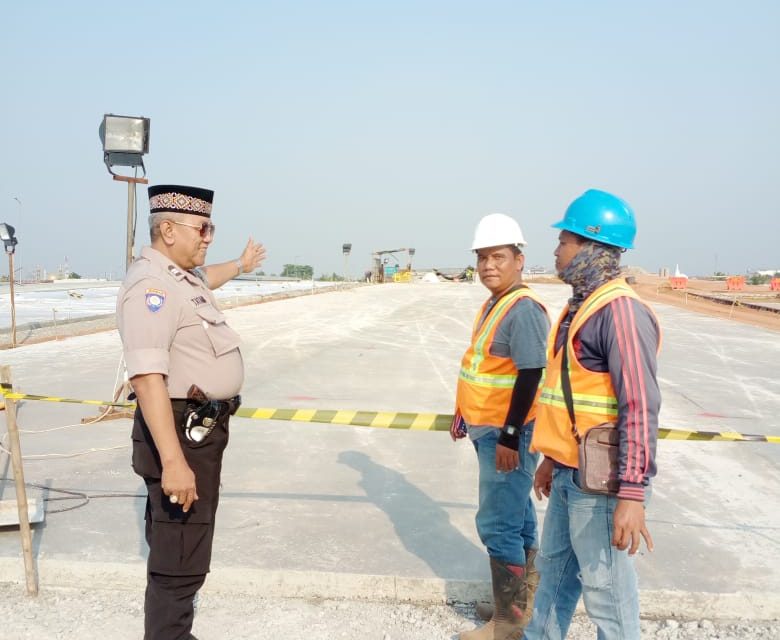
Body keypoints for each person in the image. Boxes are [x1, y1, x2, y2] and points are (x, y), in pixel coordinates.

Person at [117, 184, 265, 640]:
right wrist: (174, 463)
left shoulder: (183, 279)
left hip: (197, 431)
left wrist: (241, 266)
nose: (208, 237)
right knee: (177, 560)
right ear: (167, 229)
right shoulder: (152, 287)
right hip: (179, 437)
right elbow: (146, 379)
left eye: (210, 227)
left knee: (185, 549)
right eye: (202, 228)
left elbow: (210, 276)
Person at [524, 189, 661, 640]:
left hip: (601, 485)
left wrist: (632, 494)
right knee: (554, 579)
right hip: (568, 473)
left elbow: (639, 407)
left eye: (563, 241)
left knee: (607, 596)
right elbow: (569, 397)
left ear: (590, 246)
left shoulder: (619, 312)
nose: (556, 251)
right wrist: (550, 457)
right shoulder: (579, 307)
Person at [451, 213, 550, 640]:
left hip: (508, 435)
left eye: (498, 256)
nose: (488, 265)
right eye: (482, 258)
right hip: (487, 428)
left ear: (519, 259)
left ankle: (508, 623)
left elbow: (531, 375)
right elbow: (483, 368)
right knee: (519, 515)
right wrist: (464, 412)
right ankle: (521, 602)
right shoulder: (496, 302)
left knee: (498, 522)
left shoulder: (523, 309)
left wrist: (510, 436)